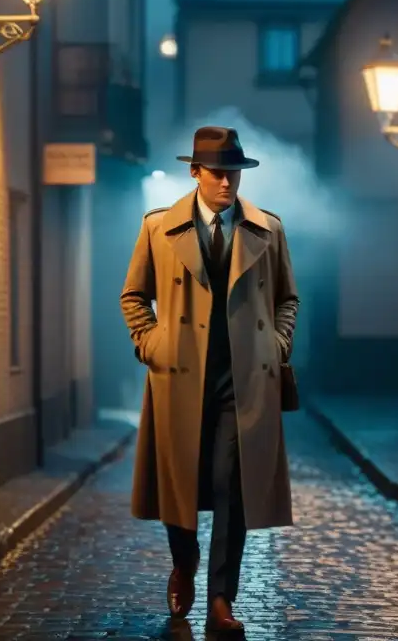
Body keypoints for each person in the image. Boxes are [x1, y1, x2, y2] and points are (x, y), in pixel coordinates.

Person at [120, 125, 300, 635]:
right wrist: (151, 344)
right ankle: (184, 561)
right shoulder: (159, 228)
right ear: (195, 172)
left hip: (241, 382)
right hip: (178, 376)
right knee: (178, 483)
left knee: (231, 488)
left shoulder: (268, 229)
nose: (227, 184)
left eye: (235, 174)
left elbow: (288, 299)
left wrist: (278, 345)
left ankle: (221, 599)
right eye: (218, 173)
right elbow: (133, 296)